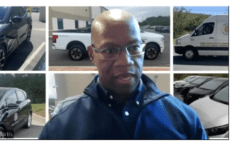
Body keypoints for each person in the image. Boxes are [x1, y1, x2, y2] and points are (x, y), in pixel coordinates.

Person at [39, 9, 208, 139]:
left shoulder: (185, 119)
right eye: (110, 50)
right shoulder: (58, 130)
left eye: (134, 47)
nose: (125, 61)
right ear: (92, 55)